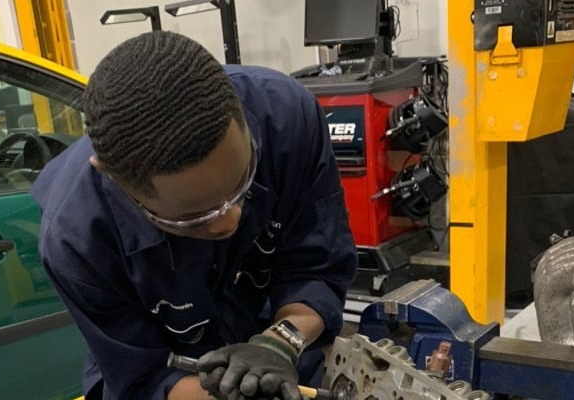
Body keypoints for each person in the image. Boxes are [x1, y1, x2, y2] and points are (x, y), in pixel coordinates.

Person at [31, 31, 357, 400]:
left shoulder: (287, 118)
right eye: (193, 219)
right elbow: (142, 378)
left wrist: (279, 343)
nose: (229, 221)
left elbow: (315, 268)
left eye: (242, 184)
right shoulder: (77, 238)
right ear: (118, 182)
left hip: (284, 356)